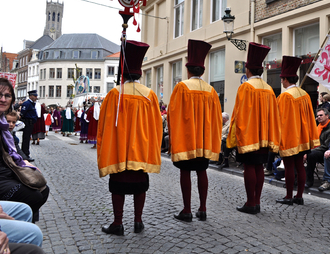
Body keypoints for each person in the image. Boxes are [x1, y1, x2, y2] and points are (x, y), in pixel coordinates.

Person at [97, 40, 162, 235]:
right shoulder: (149, 95)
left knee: (118, 186)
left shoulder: (114, 94)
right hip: (141, 150)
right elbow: (157, 126)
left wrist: (103, 149)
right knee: (139, 184)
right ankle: (138, 221)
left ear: (123, 73)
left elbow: (104, 127)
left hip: (118, 150)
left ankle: (118, 223)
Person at [168, 39, 222, 222]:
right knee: (202, 171)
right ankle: (203, 208)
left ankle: (187, 210)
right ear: (203, 71)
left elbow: (173, 115)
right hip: (204, 140)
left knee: (185, 172)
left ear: (188, 69)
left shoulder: (181, 87)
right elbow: (217, 118)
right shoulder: (211, 91)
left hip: (187, 139)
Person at [227, 42, 281, 214]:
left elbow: (238, 114)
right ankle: (257, 201)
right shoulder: (269, 89)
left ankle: (250, 203)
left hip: (249, 135)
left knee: (249, 167)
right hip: (265, 135)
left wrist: (235, 135)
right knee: (259, 167)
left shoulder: (245, 87)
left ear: (248, 70)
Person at [0, 78, 49, 221]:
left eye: (7, 96)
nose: (2, 99)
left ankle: (23, 224)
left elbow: (14, 147)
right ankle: (16, 228)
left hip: (7, 170)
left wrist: (25, 161)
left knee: (43, 189)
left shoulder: (2, 123)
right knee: (33, 196)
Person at [275, 56, 319, 205]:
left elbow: (279, 119)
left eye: (282, 79)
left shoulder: (285, 96)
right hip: (303, 137)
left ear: (286, 79)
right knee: (300, 165)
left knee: (288, 166)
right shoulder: (305, 94)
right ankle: (299, 196)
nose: (281, 81)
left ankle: (288, 196)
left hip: (290, 136)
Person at [304, 108, 330, 188]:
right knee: (298, 152)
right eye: (317, 116)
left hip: (324, 151)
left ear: (327, 116)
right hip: (314, 149)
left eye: (321, 115)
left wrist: (308, 151)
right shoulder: (318, 127)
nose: (318, 117)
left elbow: (326, 145)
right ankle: (296, 179)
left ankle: (309, 180)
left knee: (311, 154)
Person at [20, 90, 38, 162]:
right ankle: (25, 154)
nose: (36, 97)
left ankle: (25, 154)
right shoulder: (27, 103)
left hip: (30, 123)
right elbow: (22, 113)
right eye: (34, 96)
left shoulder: (32, 103)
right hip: (27, 123)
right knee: (26, 139)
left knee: (27, 139)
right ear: (30, 96)